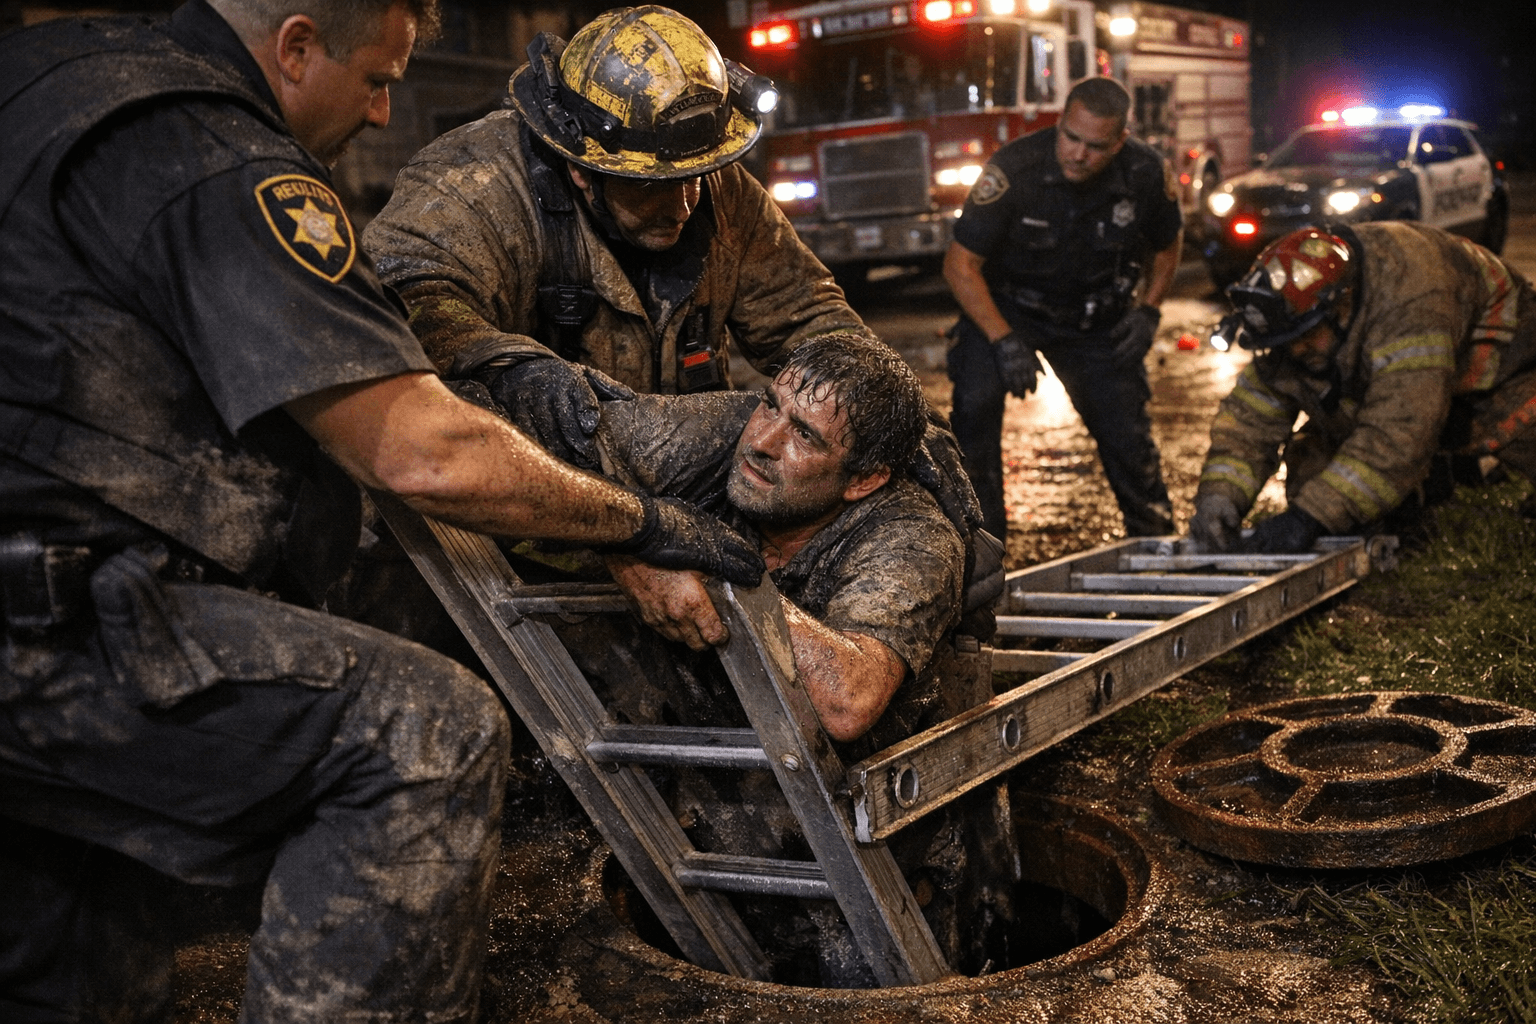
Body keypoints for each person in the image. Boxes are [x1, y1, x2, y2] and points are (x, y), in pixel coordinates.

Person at [0, 0, 763, 1019]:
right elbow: (421, 451)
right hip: (47, 624)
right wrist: (640, 524)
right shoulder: (218, 153)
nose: (381, 113)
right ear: (296, 44)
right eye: (377, 79)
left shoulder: (43, 71)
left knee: (81, 931)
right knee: (427, 734)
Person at [497, 333, 1014, 985]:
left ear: (865, 479)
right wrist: (625, 541)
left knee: (853, 985)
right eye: (770, 404)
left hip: (866, 852)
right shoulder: (731, 447)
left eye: (806, 436)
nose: (763, 441)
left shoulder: (911, 534)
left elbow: (849, 699)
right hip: (720, 799)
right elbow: (544, 431)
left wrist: (717, 572)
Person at [362, 4, 873, 472]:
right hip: (527, 483)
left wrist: (871, 397)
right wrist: (513, 371)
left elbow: (805, 316)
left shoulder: (718, 184)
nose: (683, 206)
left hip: (681, 481)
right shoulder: (474, 184)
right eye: (651, 187)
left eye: (694, 179)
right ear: (581, 169)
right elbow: (400, 301)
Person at [1189, 221, 1536, 554]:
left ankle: (1436, 474)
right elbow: (1250, 420)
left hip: (1503, 359)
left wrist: (1311, 517)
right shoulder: (1301, 322)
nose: (1296, 350)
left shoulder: (1411, 299)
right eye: (1286, 342)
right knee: (1315, 472)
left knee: (1514, 423)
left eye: (1306, 336)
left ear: (1341, 307)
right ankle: (1421, 493)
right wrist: (1220, 496)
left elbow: (1402, 431)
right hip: (1399, 373)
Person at [943, 76, 1184, 541]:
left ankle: (1156, 545)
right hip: (1009, 309)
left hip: (1094, 319)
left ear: (1120, 142)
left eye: (1095, 146)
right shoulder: (1015, 168)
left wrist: (1149, 310)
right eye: (1071, 137)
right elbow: (960, 265)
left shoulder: (1146, 172)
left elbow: (1168, 243)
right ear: (1060, 123)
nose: (1078, 154)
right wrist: (1003, 340)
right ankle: (982, 555)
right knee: (973, 411)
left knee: (1127, 435)